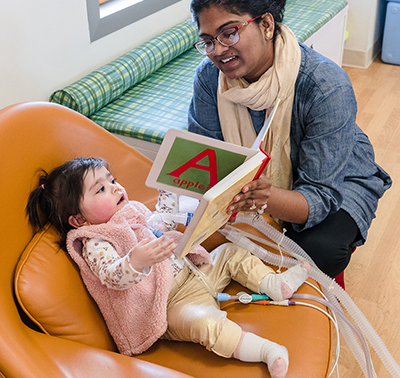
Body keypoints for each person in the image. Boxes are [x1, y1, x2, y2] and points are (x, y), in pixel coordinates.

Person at [188, 0, 392, 278]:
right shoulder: (209, 79)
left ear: (266, 24)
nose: (217, 51)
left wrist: (265, 197)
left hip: (337, 178)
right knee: (199, 236)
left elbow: (321, 195)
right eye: (208, 41)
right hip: (248, 186)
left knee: (319, 252)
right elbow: (207, 156)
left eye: (229, 33)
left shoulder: (325, 85)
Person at [26, 157, 311, 378]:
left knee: (231, 253)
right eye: (100, 189)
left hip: (192, 272)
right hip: (168, 304)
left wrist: (170, 207)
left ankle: (273, 285)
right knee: (205, 324)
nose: (115, 188)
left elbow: (159, 226)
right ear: (78, 220)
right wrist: (136, 261)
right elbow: (112, 276)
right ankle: (267, 351)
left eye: (112, 180)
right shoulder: (95, 242)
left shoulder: (133, 210)